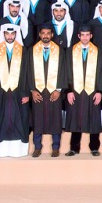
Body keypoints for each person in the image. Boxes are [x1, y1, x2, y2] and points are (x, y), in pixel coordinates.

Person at [64, 26, 102, 156]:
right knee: (75, 118)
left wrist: (100, 91)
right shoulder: (70, 51)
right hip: (75, 90)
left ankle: (94, 147)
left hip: (92, 90)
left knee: (93, 118)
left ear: (91, 36)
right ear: (78, 36)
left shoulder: (98, 51)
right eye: (83, 35)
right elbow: (67, 71)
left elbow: (101, 72)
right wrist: (69, 91)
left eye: (88, 35)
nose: (85, 37)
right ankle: (74, 148)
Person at [0, 24, 31, 158]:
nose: (9, 36)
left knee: (19, 119)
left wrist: (26, 93)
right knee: (0, 120)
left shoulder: (24, 51)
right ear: (3, 34)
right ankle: (0, 150)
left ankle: (18, 150)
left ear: (16, 34)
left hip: (18, 92)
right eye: (7, 34)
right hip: (0, 93)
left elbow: (27, 74)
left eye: (12, 34)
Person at [27, 26, 66, 157]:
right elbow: (28, 72)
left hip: (54, 91)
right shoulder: (31, 51)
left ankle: (56, 147)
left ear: (52, 34)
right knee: (37, 119)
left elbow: (63, 71)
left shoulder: (60, 51)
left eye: (48, 33)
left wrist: (59, 90)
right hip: (38, 91)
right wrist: (32, 90)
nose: (45, 35)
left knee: (55, 119)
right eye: (43, 33)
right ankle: (37, 147)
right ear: (39, 34)